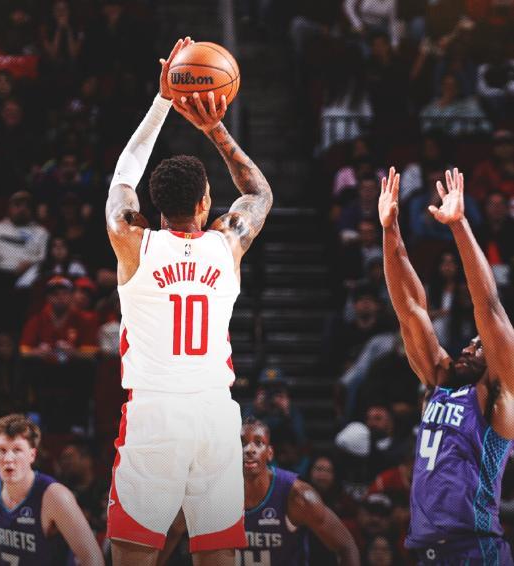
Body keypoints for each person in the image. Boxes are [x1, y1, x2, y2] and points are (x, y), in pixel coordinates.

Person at [104, 37, 272, 566]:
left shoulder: (132, 241)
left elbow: (123, 175)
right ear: (206, 203)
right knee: (216, 554)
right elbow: (259, 194)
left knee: (133, 555)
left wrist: (162, 101)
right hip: (214, 415)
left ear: (154, 206)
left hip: (154, 414)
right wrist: (214, 127)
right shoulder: (227, 244)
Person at [379, 166, 514, 564]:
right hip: (427, 550)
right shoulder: (438, 380)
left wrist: (458, 225)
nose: (471, 345)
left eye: (480, 344)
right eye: (470, 341)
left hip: (475, 547)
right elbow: (410, 309)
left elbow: (488, 307)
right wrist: (390, 231)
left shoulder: (499, 394)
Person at [158, 418, 359, 565]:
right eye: (242, 443)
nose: (249, 449)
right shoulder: (208, 491)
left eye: (258, 442)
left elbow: (346, 546)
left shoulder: (297, 496)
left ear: (269, 453)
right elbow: (173, 531)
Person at [0, 413, 104, 565]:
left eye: (17, 450)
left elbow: (92, 558)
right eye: (2, 450)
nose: (8, 459)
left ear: (32, 455)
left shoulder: (54, 495)